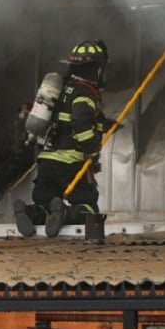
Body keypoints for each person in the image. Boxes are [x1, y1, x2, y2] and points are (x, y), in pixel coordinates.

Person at [14, 40, 110, 237]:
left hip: (47, 161)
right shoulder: (84, 92)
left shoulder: (59, 90)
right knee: (88, 207)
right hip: (72, 162)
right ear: (96, 68)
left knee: (45, 204)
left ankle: (31, 212)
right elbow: (81, 123)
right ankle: (66, 214)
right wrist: (92, 151)